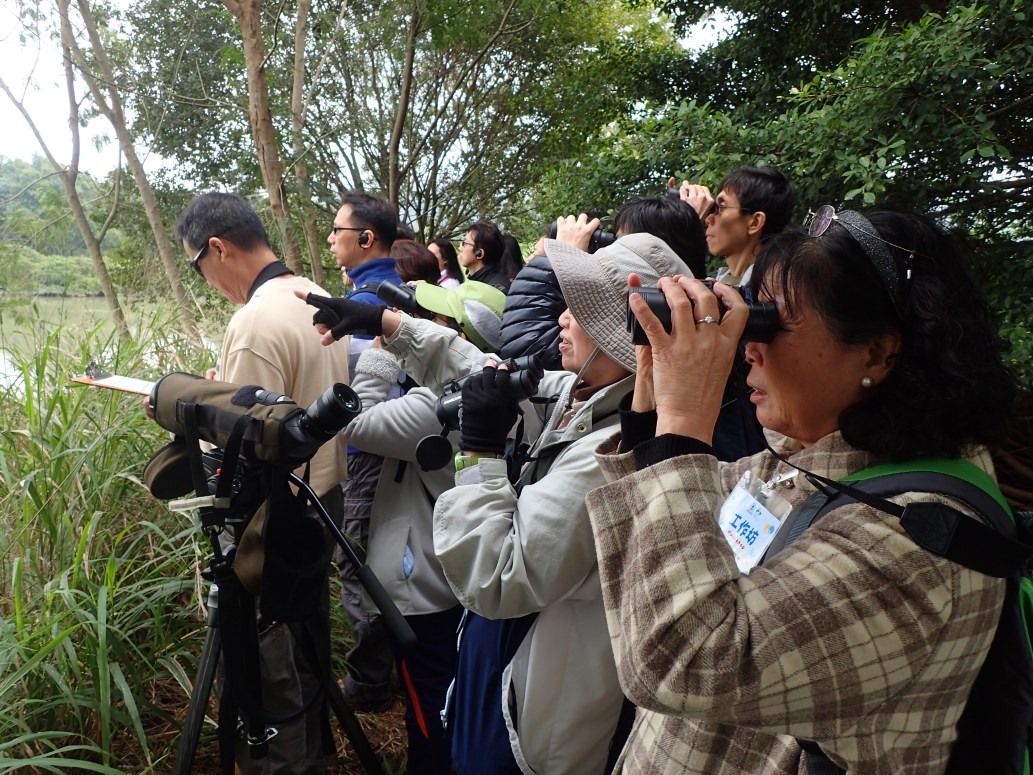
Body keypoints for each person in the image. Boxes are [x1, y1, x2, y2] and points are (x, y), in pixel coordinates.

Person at [586, 207, 1016, 773]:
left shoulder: (923, 536)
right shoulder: (805, 462)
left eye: (768, 324)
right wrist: (652, 406)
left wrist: (684, 425)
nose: (748, 347)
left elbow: (678, 660)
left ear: (877, 353)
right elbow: (665, 549)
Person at [299, 233, 695, 774]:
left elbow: (500, 577)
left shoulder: (613, 450)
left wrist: (480, 457)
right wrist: (386, 325)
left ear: (621, 333)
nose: (561, 319)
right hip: (513, 668)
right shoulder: (590, 397)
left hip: (540, 712)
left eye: (580, 310)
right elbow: (486, 373)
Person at [299, 279, 507, 774]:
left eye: (427, 317)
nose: (410, 322)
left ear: (452, 334)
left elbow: (355, 425)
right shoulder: (499, 392)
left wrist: (380, 357)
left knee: (429, 703)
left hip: (427, 586)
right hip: (462, 578)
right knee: (461, 691)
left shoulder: (436, 407)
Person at [173, 192, 350, 774]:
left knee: (267, 662)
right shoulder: (314, 298)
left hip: (267, 523)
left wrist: (203, 409)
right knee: (305, 644)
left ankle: (284, 763)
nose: (205, 281)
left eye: (198, 266)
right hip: (321, 502)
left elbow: (242, 448)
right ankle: (313, 756)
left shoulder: (253, 321)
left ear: (217, 248)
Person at [327, 192, 401, 711]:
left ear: (366, 239)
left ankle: (371, 682)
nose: (331, 239)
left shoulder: (370, 304)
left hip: (366, 453)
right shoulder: (397, 288)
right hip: (392, 448)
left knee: (356, 561)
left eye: (338, 231)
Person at [673, 165, 795, 295]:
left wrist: (687, 224)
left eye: (720, 207)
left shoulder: (774, 292)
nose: (708, 219)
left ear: (755, 222)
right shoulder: (716, 281)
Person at [458, 220, 510, 292]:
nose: (460, 248)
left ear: (479, 253)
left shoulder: (494, 289)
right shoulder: (480, 282)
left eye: (465, 243)